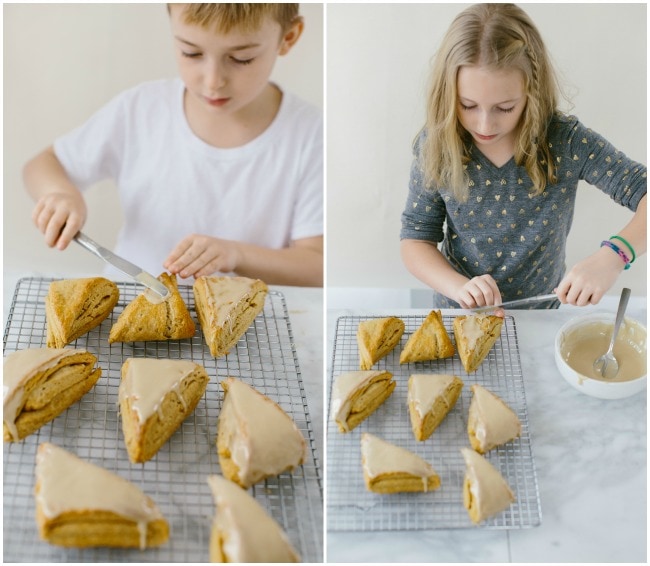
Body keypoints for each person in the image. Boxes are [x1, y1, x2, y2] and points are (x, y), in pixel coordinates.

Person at [23, 3, 323, 287]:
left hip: (243, 328)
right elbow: (44, 163)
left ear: (288, 37)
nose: (213, 81)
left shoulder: (309, 134)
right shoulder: (140, 109)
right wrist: (60, 194)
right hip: (128, 302)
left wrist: (236, 255)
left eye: (241, 58)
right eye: (191, 53)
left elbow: (317, 264)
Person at [400, 3, 646, 309]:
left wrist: (615, 255)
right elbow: (415, 240)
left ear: (533, 91)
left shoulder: (566, 142)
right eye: (467, 105)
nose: (485, 124)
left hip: (540, 317)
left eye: (504, 107)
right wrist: (460, 287)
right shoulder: (435, 144)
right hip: (458, 316)